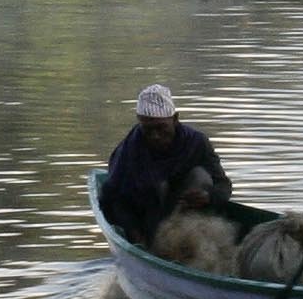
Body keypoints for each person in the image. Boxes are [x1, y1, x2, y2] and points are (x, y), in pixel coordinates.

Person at [98, 84, 231, 237]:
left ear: (175, 119)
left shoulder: (196, 142)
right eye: (148, 129)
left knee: (200, 175)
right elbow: (110, 197)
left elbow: (224, 185)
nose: (155, 136)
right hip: (146, 218)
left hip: (186, 215)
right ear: (140, 122)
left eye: (161, 128)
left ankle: (188, 239)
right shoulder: (129, 149)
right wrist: (134, 234)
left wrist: (208, 196)